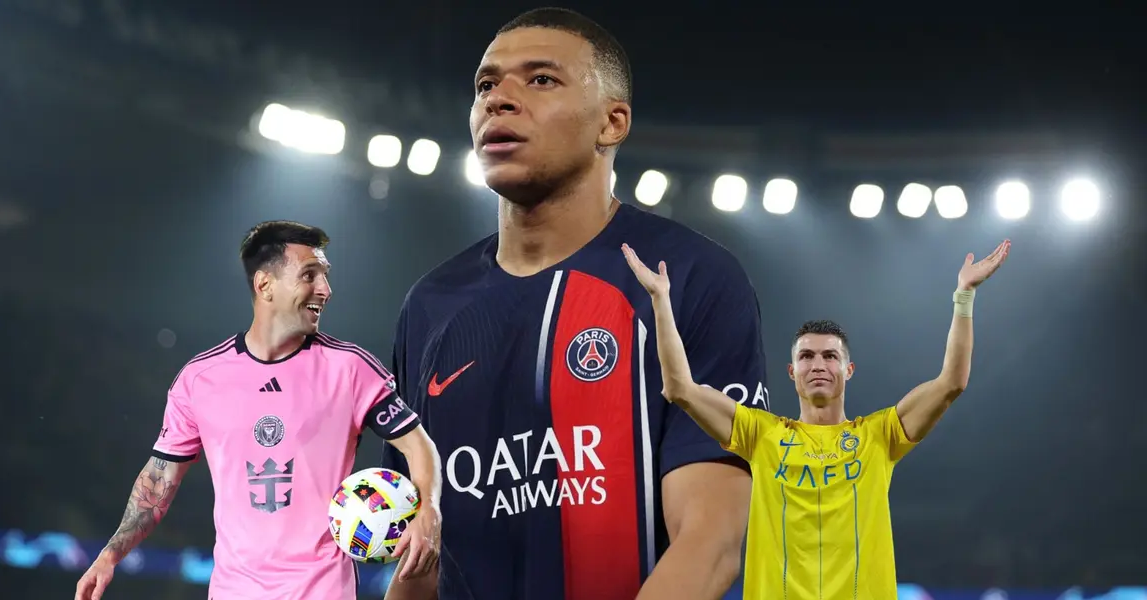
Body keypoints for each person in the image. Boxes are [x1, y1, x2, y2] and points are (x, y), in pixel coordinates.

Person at [381, 8, 769, 600]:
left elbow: (711, 544)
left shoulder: (689, 278)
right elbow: (418, 561)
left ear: (612, 123)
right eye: (486, 84)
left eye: (540, 79)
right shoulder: (431, 306)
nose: (499, 100)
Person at [622, 238, 1011, 599]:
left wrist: (964, 297)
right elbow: (680, 389)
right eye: (806, 356)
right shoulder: (760, 435)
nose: (818, 364)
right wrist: (661, 301)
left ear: (849, 369)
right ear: (792, 372)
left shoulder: (880, 435)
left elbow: (951, 382)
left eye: (830, 356)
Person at [74, 221, 443, 600]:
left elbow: (419, 447)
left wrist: (428, 510)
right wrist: (110, 554)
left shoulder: (350, 368)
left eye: (326, 276)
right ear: (264, 285)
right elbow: (159, 480)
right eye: (309, 275)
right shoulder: (200, 379)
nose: (326, 290)